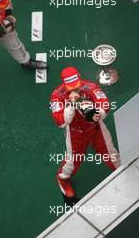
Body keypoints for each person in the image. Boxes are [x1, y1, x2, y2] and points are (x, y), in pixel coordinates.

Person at [50, 67, 120, 198]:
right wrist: (71, 104)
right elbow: (60, 122)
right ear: (64, 86)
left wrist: (97, 113)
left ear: (80, 79)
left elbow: (105, 104)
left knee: (112, 155)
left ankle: (123, 172)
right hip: (75, 134)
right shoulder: (56, 96)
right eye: (71, 88)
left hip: (96, 128)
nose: (75, 90)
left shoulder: (90, 87)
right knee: (71, 163)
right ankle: (63, 179)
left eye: (77, 86)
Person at [0, 0, 47, 69]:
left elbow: (7, 1)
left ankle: (26, 62)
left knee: (15, 45)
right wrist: (0, 29)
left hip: (4, 25)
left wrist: (9, 15)